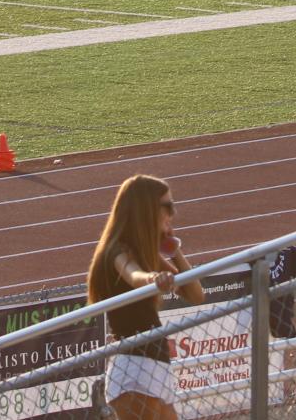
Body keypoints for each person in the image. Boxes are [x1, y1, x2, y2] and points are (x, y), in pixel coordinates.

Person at [86, 175, 205, 420]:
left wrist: (174, 249)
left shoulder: (145, 251)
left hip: (156, 366)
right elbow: (134, 275)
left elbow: (196, 295)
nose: (172, 213)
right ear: (146, 209)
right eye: (168, 207)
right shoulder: (117, 249)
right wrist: (153, 279)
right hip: (135, 368)